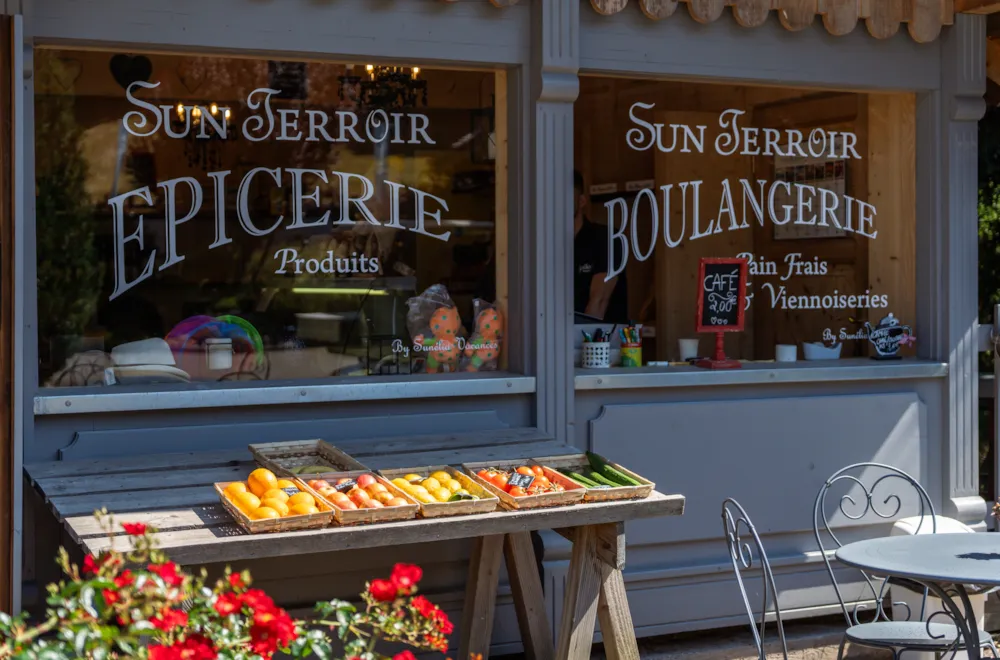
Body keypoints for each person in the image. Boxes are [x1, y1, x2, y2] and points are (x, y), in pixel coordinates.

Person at [573, 170, 628, 322]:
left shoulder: (606, 238)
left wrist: (575, 342)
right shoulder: (548, 246)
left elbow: (599, 302)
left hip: (601, 342)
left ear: (582, 201)